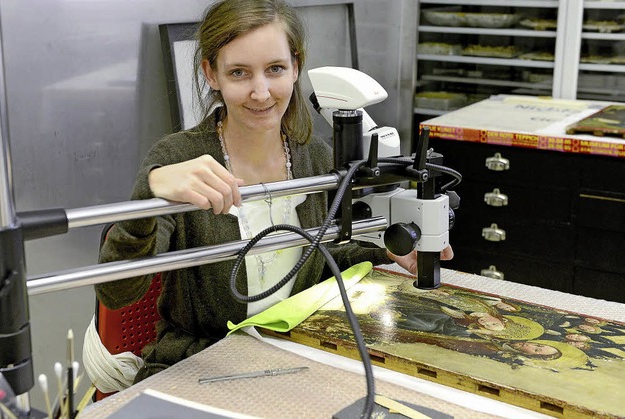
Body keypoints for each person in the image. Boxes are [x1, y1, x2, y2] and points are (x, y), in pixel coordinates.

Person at [95, 0, 453, 383]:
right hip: (198, 366)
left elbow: (315, 260)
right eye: (239, 73)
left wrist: (387, 249)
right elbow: (116, 293)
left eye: (275, 69)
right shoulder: (179, 160)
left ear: (296, 68)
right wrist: (151, 193)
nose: (261, 92)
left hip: (295, 358)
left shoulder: (316, 160)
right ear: (211, 74)